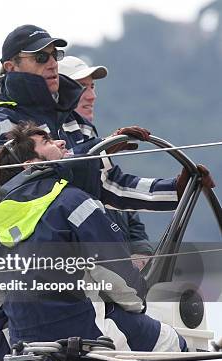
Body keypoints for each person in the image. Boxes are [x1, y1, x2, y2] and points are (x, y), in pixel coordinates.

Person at [0, 24, 214, 361]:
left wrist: (175, 188)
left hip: (80, 267)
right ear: (11, 67)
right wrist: (94, 151)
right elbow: (20, 182)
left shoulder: (74, 126)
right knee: (25, 355)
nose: (51, 63)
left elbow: (109, 183)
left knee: (136, 331)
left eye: (56, 55)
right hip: (17, 266)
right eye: (41, 57)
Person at [0, 122, 191, 354]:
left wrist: (8, 360)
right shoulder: (73, 202)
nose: (62, 141)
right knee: (172, 342)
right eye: (48, 142)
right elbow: (117, 275)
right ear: (31, 164)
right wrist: (138, 305)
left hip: (27, 349)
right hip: (87, 336)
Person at [58, 56, 153, 270]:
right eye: (82, 88)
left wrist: (140, 249)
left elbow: (116, 193)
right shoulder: (50, 138)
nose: (92, 96)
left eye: (92, 87)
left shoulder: (90, 136)